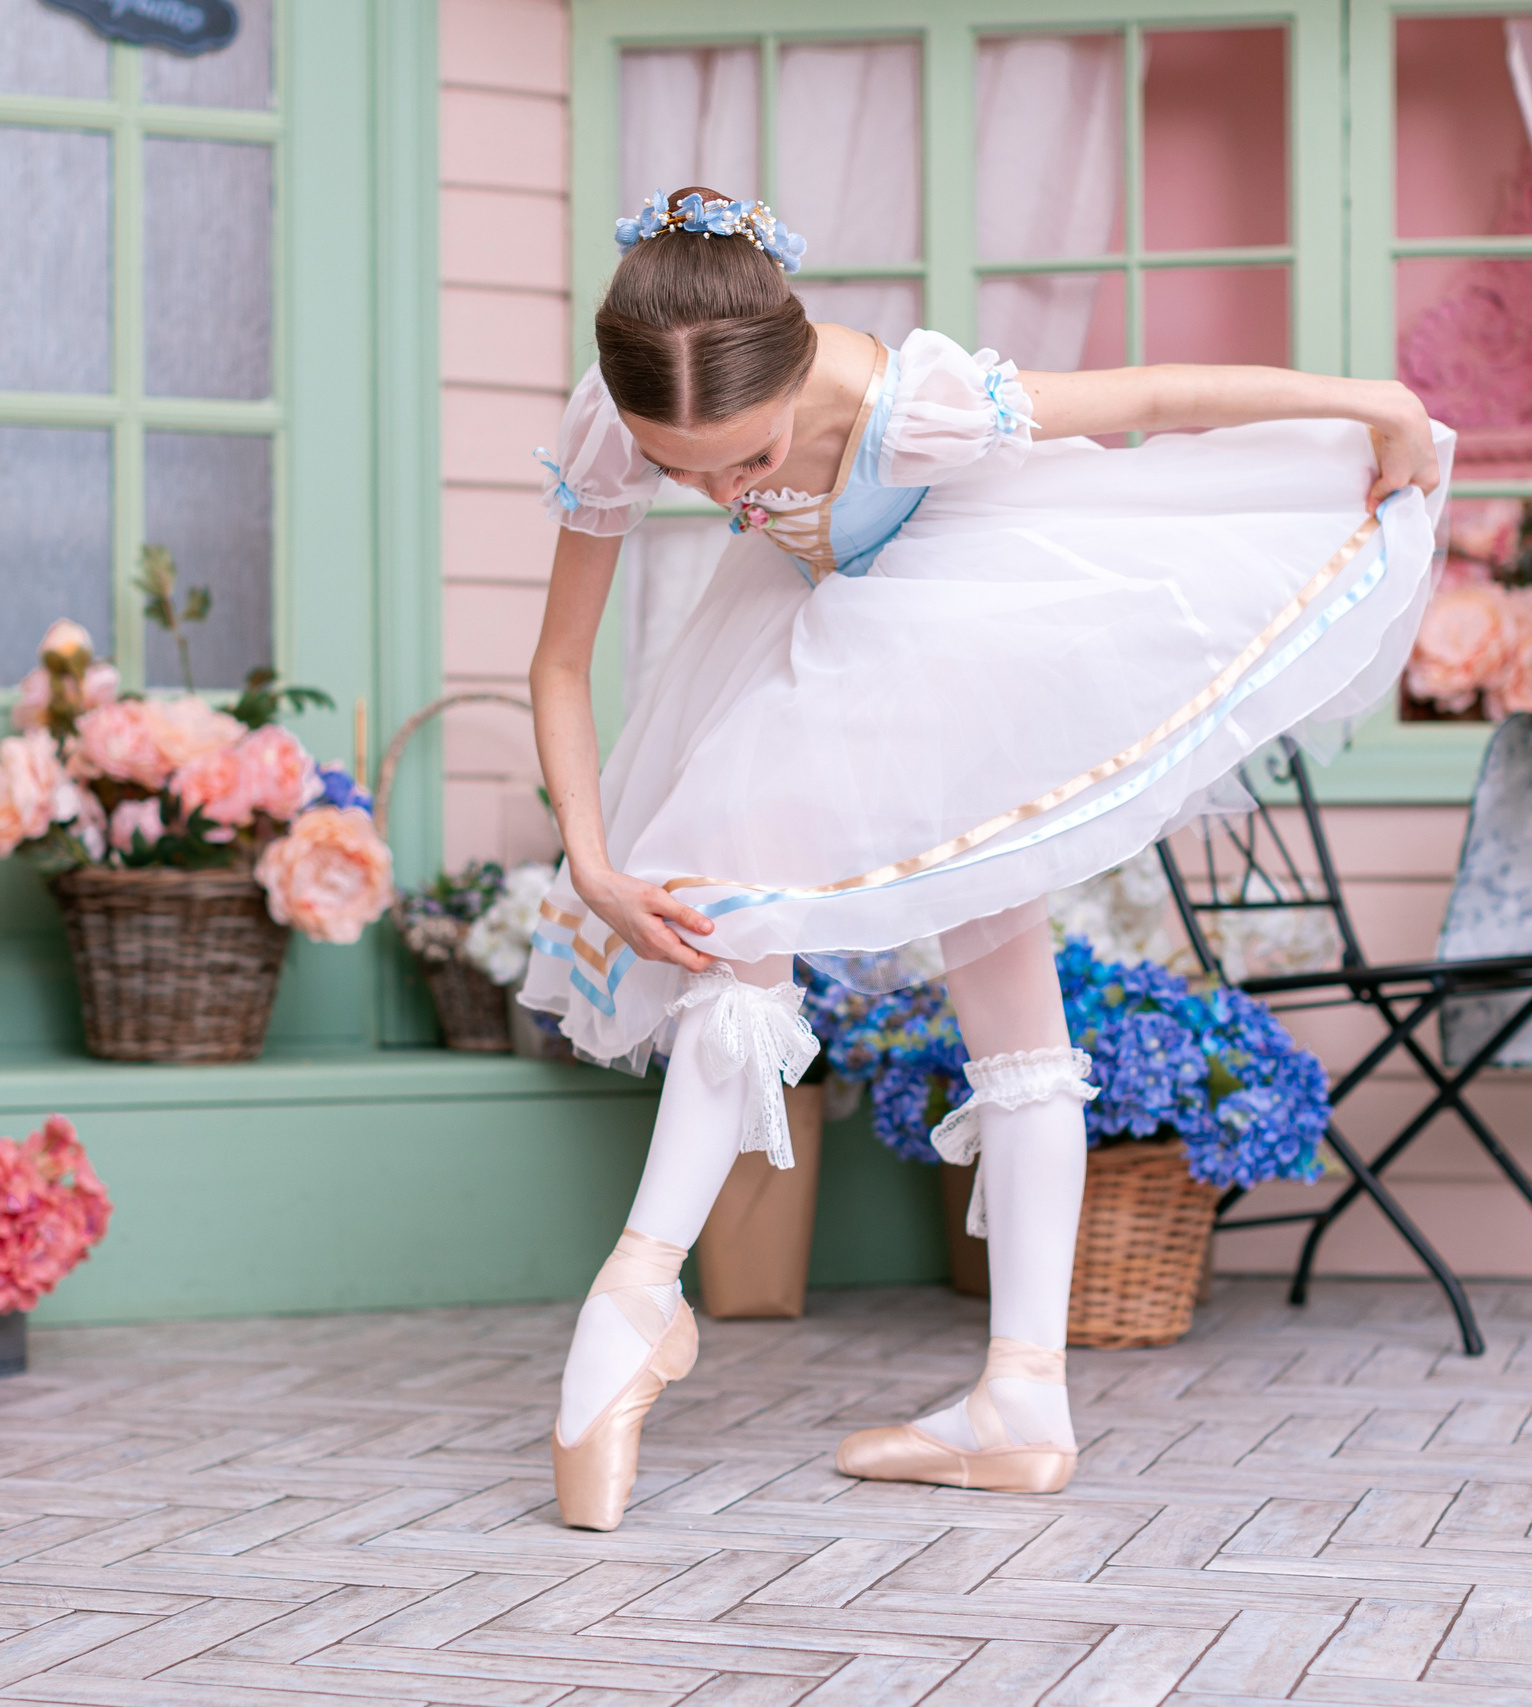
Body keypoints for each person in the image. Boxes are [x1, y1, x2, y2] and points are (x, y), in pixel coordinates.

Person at [524, 187, 1449, 1531]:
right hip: (809, 621)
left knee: (974, 980)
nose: (723, 493)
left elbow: (1158, 394)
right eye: (685, 474)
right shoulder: (625, 408)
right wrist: (596, 867)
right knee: (723, 910)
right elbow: (558, 662)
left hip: (962, 610)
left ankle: (951, 1375)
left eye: (749, 456)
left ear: (795, 376)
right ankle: (676, 1311)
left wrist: (1374, 403)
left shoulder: (918, 402)